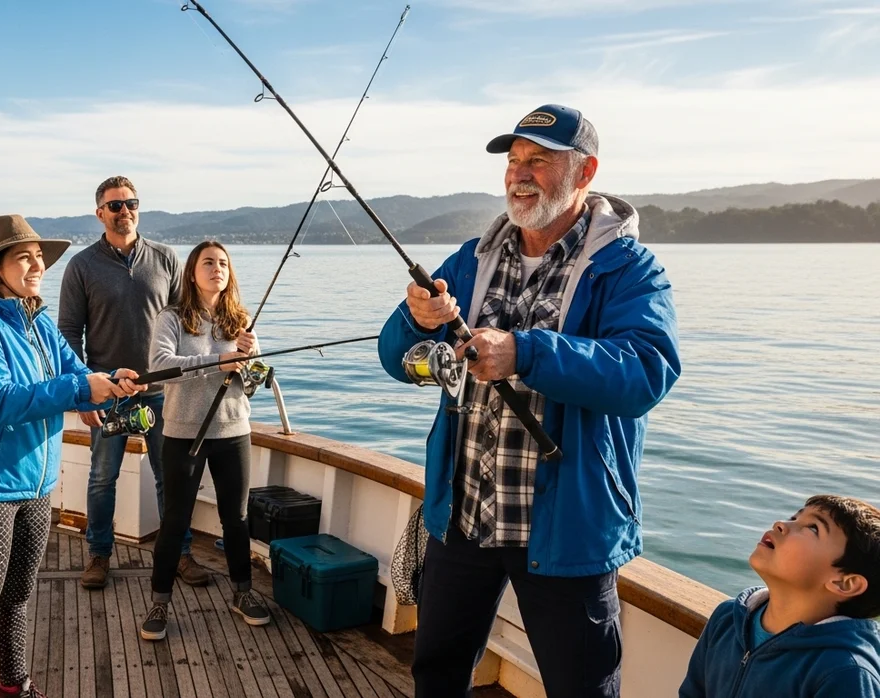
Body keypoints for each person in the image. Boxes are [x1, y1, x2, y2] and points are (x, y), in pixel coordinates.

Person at [377, 104, 682, 697]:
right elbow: (394, 357)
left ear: (585, 171)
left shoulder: (628, 269)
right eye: (514, 161)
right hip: (462, 518)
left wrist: (526, 353)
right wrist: (415, 322)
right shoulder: (469, 260)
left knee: (582, 685)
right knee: (436, 673)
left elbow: (648, 371)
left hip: (568, 528)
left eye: (538, 161)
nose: (520, 174)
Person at [0, 214, 145, 698]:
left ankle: (16, 687)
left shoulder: (38, 319)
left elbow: (75, 372)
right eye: (23, 257)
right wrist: (79, 387)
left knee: (15, 599)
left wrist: (107, 384)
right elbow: (2, 401)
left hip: (35, 484)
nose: (36, 265)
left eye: (39, 257)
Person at [59, 175, 211, 589]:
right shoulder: (81, 265)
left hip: (165, 391)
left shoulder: (165, 258)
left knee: (170, 476)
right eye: (115, 206)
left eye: (131, 203)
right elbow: (69, 333)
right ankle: (98, 556)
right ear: (99, 214)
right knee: (102, 477)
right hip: (109, 392)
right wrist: (84, 393)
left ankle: (179, 554)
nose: (124, 211)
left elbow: (189, 323)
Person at [138, 240, 271, 642]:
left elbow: (250, 386)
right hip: (183, 432)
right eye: (208, 262)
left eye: (223, 263)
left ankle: (242, 594)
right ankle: (159, 602)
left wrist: (248, 365)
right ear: (192, 271)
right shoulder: (172, 317)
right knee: (176, 520)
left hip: (233, 433)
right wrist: (218, 361)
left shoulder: (241, 322)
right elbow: (160, 367)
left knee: (238, 518)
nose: (217, 268)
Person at [679, 495, 880, 697]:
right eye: (794, 517)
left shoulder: (846, 673)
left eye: (813, 528)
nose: (781, 524)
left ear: (844, 583)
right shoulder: (727, 619)